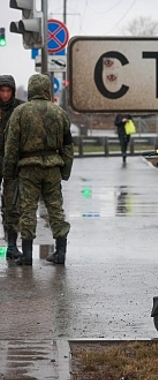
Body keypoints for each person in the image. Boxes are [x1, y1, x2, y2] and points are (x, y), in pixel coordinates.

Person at [3, 74, 74, 266]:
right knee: (55, 209)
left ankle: (27, 254)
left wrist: (9, 172)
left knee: (27, 209)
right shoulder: (59, 113)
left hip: (28, 168)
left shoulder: (20, 112)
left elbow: (11, 146)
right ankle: (60, 251)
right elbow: (68, 146)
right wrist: (65, 171)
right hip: (52, 168)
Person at [0, 75, 25, 261]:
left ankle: (11, 244)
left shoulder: (21, 109)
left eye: (8, 91)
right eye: (2, 91)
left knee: (11, 204)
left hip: (11, 162)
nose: (5, 94)